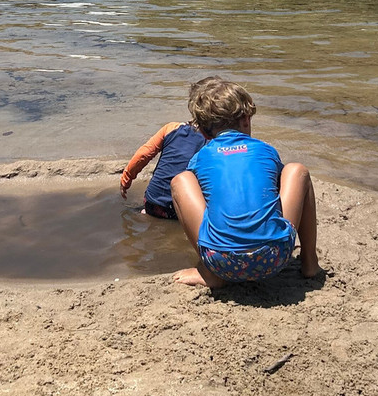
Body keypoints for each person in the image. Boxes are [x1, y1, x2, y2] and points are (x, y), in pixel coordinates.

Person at [170, 78, 320, 287]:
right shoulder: (266, 150)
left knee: (181, 180)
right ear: (246, 120)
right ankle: (310, 262)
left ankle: (209, 273)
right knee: (297, 171)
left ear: (203, 132)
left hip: (221, 262)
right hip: (275, 258)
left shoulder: (201, 157)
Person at [117, 77, 219, 219]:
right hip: (182, 210)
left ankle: (148, 213)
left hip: (153, 202)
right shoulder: (215, 142)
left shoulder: (171, 128)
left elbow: (143, 155)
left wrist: (126, 179)